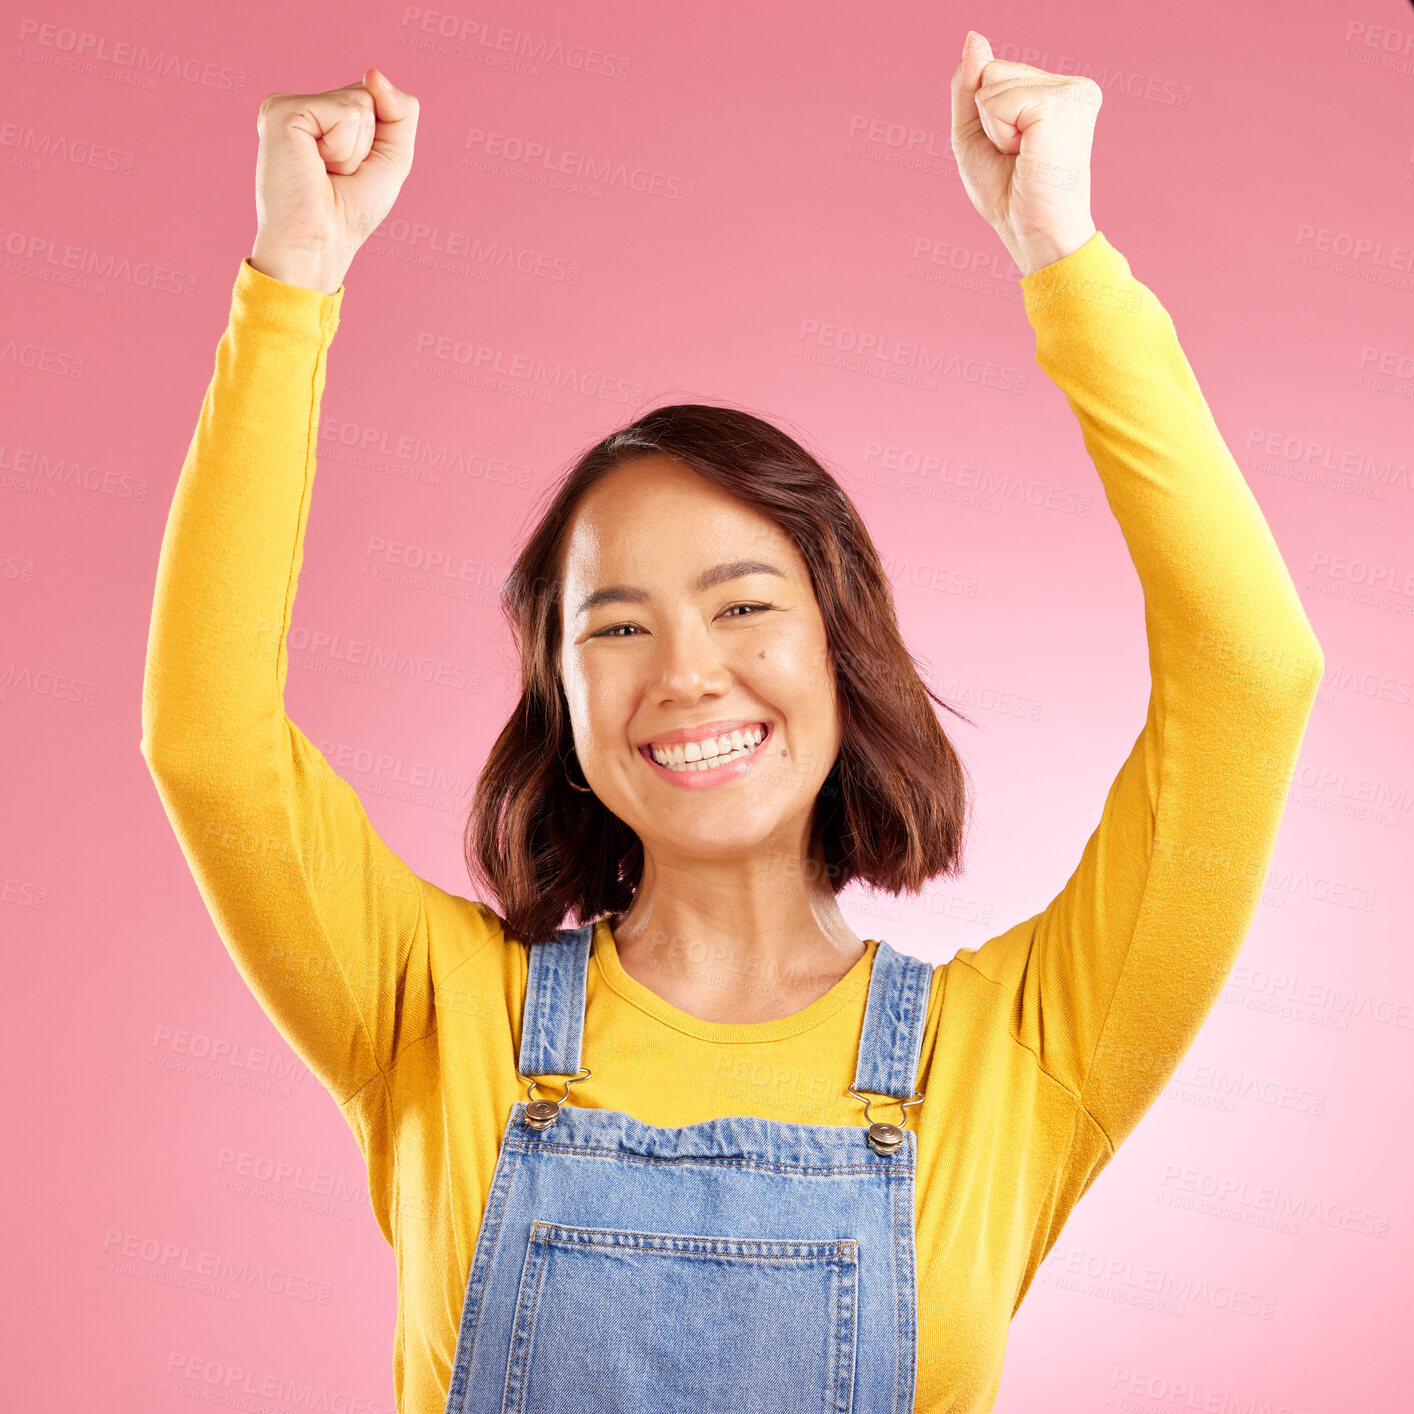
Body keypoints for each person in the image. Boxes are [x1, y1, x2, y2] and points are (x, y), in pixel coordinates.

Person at [141, 30, 1324, 1414]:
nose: (686, 672)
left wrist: (1060, 256)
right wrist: (295, 281)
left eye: (743, 605)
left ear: (843, 648)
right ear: (559, 698)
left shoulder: (1022, 1051)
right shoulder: (432, 1012)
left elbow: (1250, 675)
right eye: (616, 624)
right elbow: (207, 735)